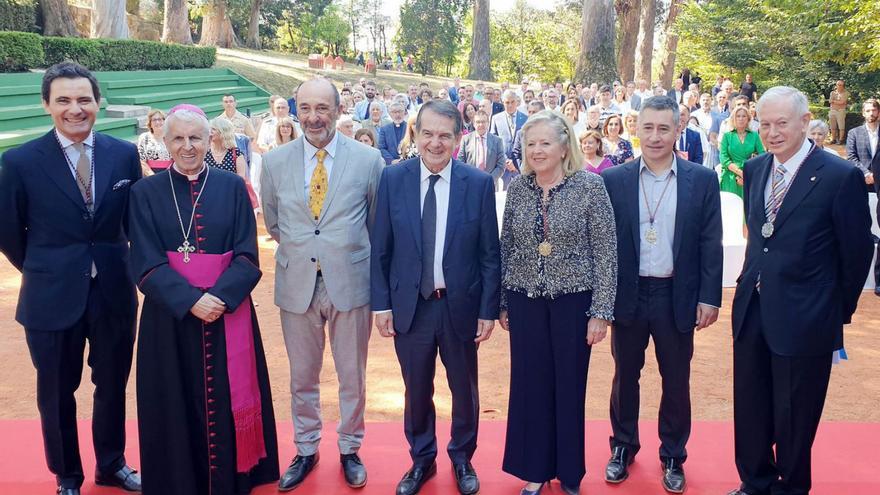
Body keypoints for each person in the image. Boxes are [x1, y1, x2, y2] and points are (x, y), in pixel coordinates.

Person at [0, 61, 142, 495]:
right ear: (46, 105)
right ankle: (67, 475)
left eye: (84, 99)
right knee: (57, 392)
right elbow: (8, 233)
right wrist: (49, 270)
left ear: (98, 103)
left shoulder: (124, 154)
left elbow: (134, 222)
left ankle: (112, 464)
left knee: (113, 385)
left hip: (114, 292)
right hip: (50, 296)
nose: (75, 108)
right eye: (63, 100)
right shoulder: (19, 161)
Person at [727, 87, 874, 495]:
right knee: (751, 405)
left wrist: (832, 310)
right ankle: (754, 481)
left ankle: (790, 488)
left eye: (782, 123)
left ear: (806, 121)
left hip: (807, 316)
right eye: (765, 123)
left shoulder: (839, 176)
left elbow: (857, 252)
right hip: (753, 308)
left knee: (795, 413)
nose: (772, 133)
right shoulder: (755, 169)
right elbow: (760, 238)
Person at [129, 105, 279, 495]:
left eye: (195, 137)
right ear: (164, 141)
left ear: (208, 137)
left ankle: (233, 479)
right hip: (170, 319)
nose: (187, 146)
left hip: (228, 313)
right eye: (178, 138)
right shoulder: (144, 193)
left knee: (229, 398)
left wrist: (220, 297)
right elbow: (145, 263)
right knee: (174, 402)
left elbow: (248, 256)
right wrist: (191, 301)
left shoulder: (231, 187)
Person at [370, 100, 501, 495]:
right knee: (416, 389)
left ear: (458, 139)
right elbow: (381, 249)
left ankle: (462, 458)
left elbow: (489, 255)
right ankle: (422, 459)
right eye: (427, 133)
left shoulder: (477, 184)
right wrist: (382, 305)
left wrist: (487, 310)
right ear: (416, 134)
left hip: (459, 306)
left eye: (445, 135)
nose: (435, 142)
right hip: (411, 308)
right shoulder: (393, 180)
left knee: (464, 389)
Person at [260, 78, 384, 491]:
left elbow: (375, 222)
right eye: (306, 108)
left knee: (352, 374)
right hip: (297, 283)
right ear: (295, 109)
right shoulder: (275, 162)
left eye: (322, 108)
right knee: (302, 376)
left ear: (337, 109)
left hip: (350, 282)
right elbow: (275, 224)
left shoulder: (368, 160)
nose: (314, 117)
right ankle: (307, 448)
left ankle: (350, 448)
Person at [601, 96, 723, 494]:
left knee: (676, 378)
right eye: (648, 128)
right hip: (630, 294)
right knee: (625, 377)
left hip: (677, 294)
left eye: (663, 129)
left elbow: (710, 242)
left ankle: (673, 454)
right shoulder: (614, 179)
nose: (655, 137)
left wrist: (710, 297)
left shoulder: (701, 180)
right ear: (637, 129)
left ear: (678, 130)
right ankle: (623, 446)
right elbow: (604, 246)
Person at [499, 110, 617, 495]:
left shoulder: (590, 187)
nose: (537, 150)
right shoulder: (517, 188)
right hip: (525, 301)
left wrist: (601, 311)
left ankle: (568, 472)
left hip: (574, 303)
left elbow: (606, 252)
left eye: (545, 142)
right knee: (530, 386)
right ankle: (535, 469)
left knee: (568, 386)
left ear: (565, 145)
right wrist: (503, 301)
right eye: (531, 144)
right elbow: (507, 248)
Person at [845, 98, 880, 295]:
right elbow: (851, 157)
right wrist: (866, 174)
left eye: (874, 109)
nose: (871, 113)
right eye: (867, 110)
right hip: (862, 184)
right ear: (863, 113)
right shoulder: (854, 133)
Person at [720, 107, 765, 198]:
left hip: (750, 176)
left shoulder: (754, 135)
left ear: (748, 118)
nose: (741, 119)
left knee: (747, 208)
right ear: (733, 118)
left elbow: (763, 155)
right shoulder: (727, 136)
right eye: (738, 116)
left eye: (744, 116)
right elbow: (723, 157)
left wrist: (748, 175)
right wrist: (740, 173)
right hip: (731, 176)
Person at [457, 110, 506, 188]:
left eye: (483, 122)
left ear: (488, 123)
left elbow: (501, 165)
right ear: (473, 124)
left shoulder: (497, 141)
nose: (480, 125)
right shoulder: (466, 139)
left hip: (490, 185)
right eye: (478, 122)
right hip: (470, 184)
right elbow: (460, 162)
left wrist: (489, 180)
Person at [137, 108, 171, 175]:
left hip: (169, 174)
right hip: (149, 174)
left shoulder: (171, 137)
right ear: (150, 124)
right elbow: (142, 161)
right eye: (154, 120)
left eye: (160, 119)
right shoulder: (144, 137)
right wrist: (151, 175)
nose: (157, 122)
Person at [829, 80, 849, 144]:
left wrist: (834, 101)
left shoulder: (845, 93)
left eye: (840, 85)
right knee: (832, 126)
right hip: (832, 111)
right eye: (838, 84)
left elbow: (842, 102)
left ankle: (841, 140)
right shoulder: (832, 93)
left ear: (843, 86)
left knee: (841, 127)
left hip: (841, 111)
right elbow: (830, 101)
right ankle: (833, 139)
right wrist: (838, 102)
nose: (839, 86)